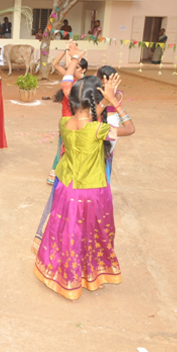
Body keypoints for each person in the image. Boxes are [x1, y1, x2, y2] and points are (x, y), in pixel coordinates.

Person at [33, 68, 135, 301]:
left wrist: (102, 102)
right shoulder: (100, 130)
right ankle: (90, 275)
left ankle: (63, 276)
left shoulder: (64, 123)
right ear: (93, 102)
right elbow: (130, 129)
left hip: (66, 189)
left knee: (68, 233)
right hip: (92, 192)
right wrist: (114, 103)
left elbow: (84, 119)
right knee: (92, 234)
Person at [47, 46, 87, 185]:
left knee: (70, 147)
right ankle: (57, 173)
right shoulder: (69, 80)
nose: (74, 69)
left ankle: (62, 174)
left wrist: (74, 58)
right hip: (65, 118)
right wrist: (66, 51)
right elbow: (55, 64)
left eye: (77, 67)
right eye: (73, 67)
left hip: (76, 119)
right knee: (63, 146)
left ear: (83, 70)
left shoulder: (83, 84)